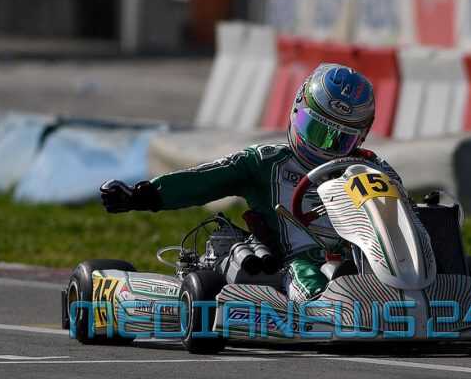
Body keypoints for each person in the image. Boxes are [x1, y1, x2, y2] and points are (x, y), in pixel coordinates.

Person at [101, 63, 404, 302]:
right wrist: (142, 195)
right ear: (297, 112)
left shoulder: (373, 168)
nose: (323, 147)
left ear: (360, 137)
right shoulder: (266, 163)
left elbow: (404, 218)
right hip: (295, 261)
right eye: (315, 130)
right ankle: (326, 303)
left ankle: (381, 295)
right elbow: (202, 181)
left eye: (339, 140)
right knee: (311, 275)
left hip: (365, 257)